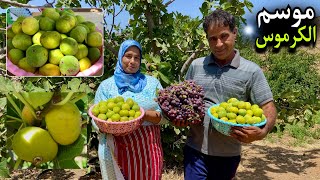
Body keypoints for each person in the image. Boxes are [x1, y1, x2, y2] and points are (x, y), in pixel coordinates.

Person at [179, 9, 277, 180]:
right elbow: (184, 100)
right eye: (212, 38)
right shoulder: (196, 66)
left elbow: (268, 107)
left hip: (228, 155)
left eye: (224, 36)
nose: (218, 44)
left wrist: (262, 132)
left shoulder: (251, 71)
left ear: (235, 33)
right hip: (195, 150)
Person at [93, 39, 166, 180]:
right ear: (120, 57)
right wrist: (110, 125)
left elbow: (163, 116)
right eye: (128, 56)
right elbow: (96, 121)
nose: (132, 61)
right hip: (115, 147)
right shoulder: (106, 86)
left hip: (147, 149)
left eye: (137, 58)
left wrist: (143, 115)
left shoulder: (152, 84)